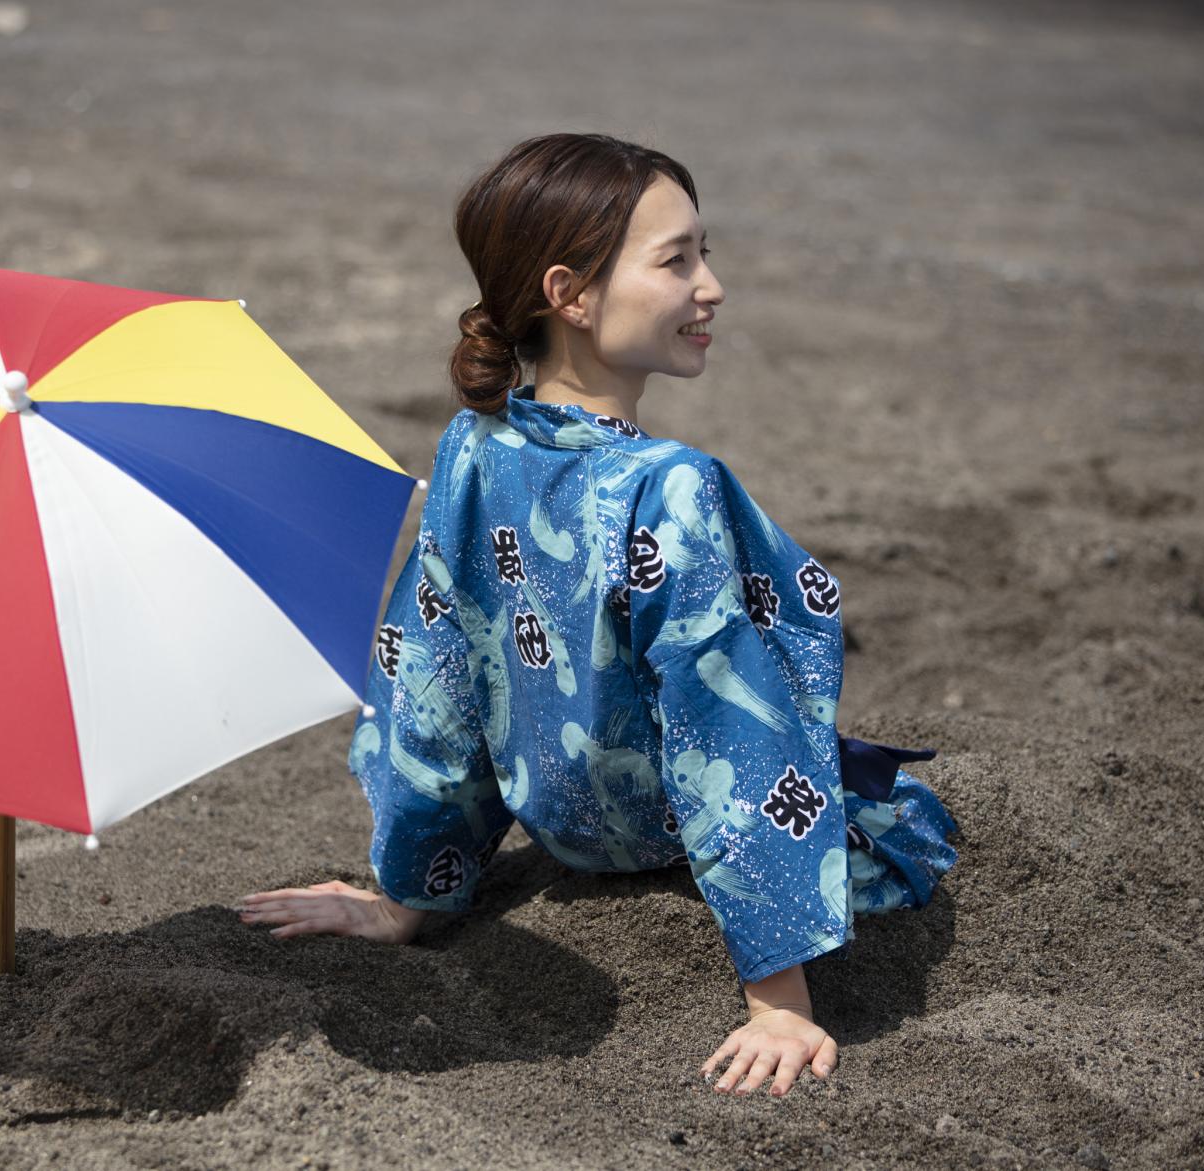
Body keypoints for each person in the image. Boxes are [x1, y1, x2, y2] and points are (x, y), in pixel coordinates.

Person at [239, 132, 957, 1099]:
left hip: (569, 835)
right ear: (570, 293)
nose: (712, 286)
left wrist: (410, 895)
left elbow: (435, 682)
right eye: (677, 260)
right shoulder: (674, 487)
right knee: (912, 823)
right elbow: (732, 721)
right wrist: (779, 999)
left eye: (706, 253)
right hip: (665, 833)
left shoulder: (473, 448)